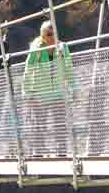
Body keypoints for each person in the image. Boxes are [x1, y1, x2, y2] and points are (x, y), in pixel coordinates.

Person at [22, 19, 75, 157]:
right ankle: (39, 153)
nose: (52, 37)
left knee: (60, 125)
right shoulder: (36, 49)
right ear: (43, 36)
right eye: (49, 34)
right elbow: (28, 70)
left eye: (54, 34)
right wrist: (27, 94)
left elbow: (68, 68)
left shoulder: (63, 48)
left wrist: (73, 89)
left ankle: (61, 153)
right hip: (40, 93)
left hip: (58, 92)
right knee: (39, 125)